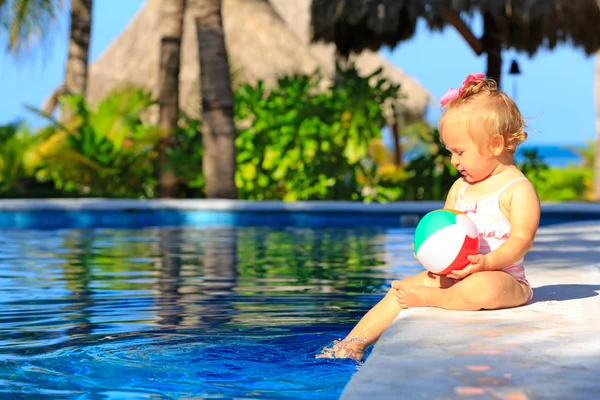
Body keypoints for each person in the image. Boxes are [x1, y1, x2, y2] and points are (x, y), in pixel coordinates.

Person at [317, 73, 540, 361]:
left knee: (482, 287)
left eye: (459, 152)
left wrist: (487, 263)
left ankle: (434, 300)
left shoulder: (516, 189)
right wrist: (429, 249)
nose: (453, 161)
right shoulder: (460, 188)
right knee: (400, 289)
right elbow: (444, 226)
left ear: (495, 145)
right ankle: (351, 344)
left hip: (504, 279)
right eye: (450, 152)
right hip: (454, 275)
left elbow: (522, 239)